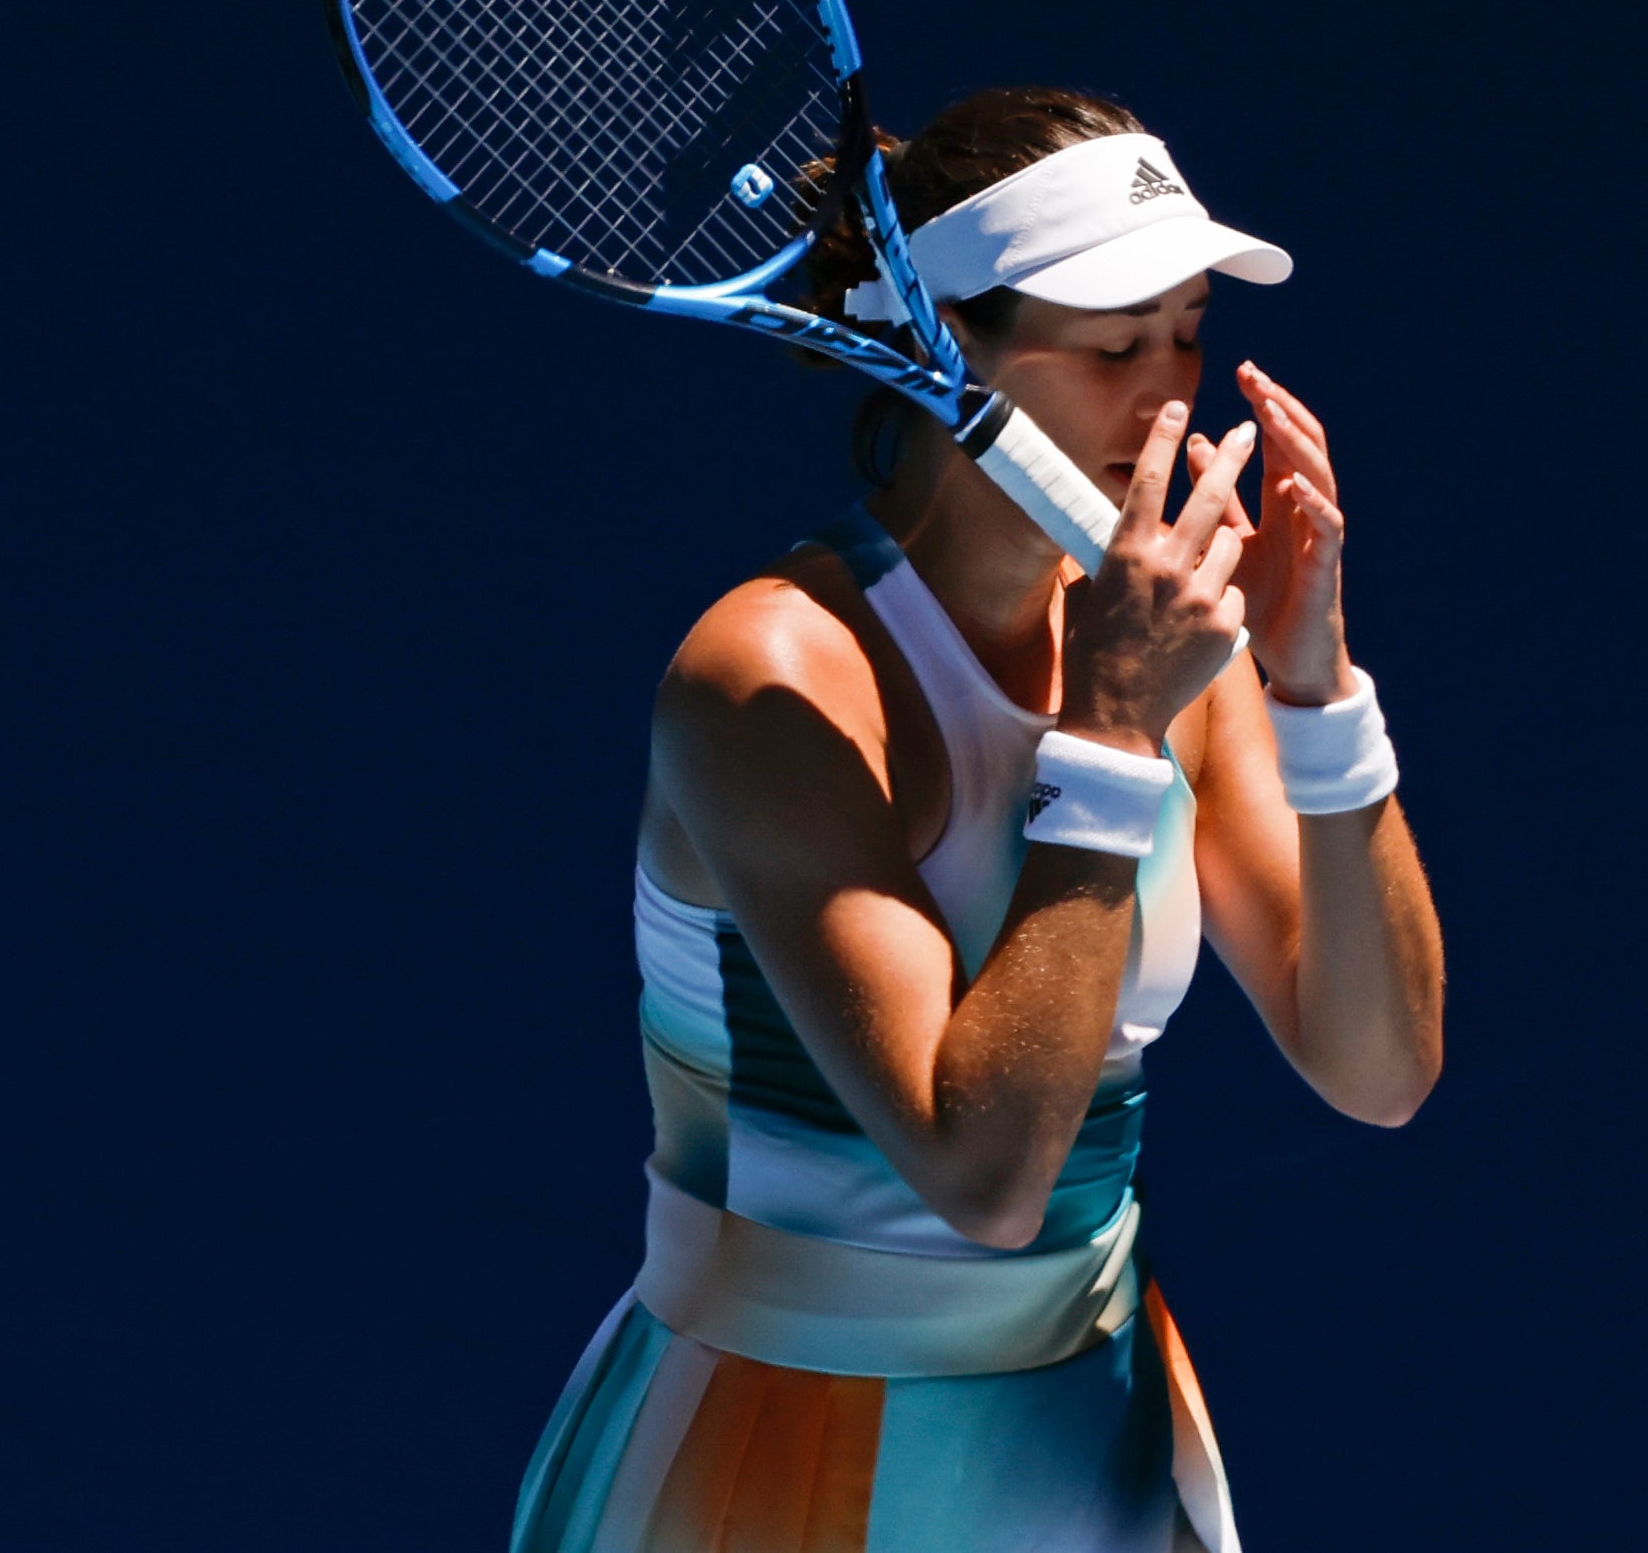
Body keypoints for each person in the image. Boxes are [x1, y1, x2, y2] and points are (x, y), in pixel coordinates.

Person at [509, 87, 1445, 1552]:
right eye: (1114, 347)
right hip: (767, 1460)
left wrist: (1316, 690)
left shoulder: (1166, 651)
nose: (1172, 396)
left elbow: (1379, 1070)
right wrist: (1114, 730)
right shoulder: (771, 683)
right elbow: (981, 1179)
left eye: (1188, 332)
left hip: (1089, 1447)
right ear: (949, 362)